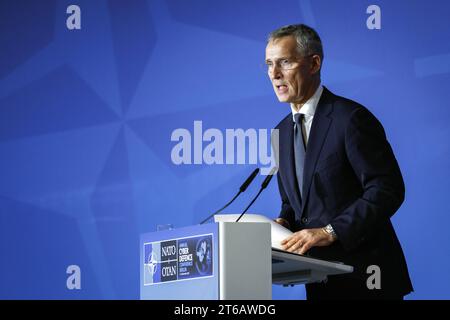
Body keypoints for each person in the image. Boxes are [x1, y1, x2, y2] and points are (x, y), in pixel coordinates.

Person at [267, 24, 413, 300]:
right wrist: (283, 222)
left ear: (314, 63)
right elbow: (293, 201)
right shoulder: (280, 132)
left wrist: (330, 231)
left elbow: (386, 189)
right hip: (320, 281)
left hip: (367, 278)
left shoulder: (351, 119)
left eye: (285, 62)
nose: (274, 74)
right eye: (269, 64)